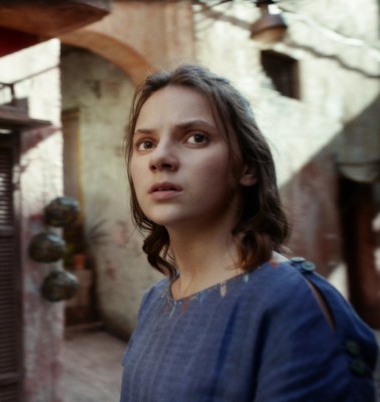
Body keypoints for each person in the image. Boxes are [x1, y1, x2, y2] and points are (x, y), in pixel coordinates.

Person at [120, 64, 378, 401]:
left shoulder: (290, 302)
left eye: (196, 137)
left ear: (247, 167)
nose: (160, 158)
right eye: (146, 143)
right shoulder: (155, 300)